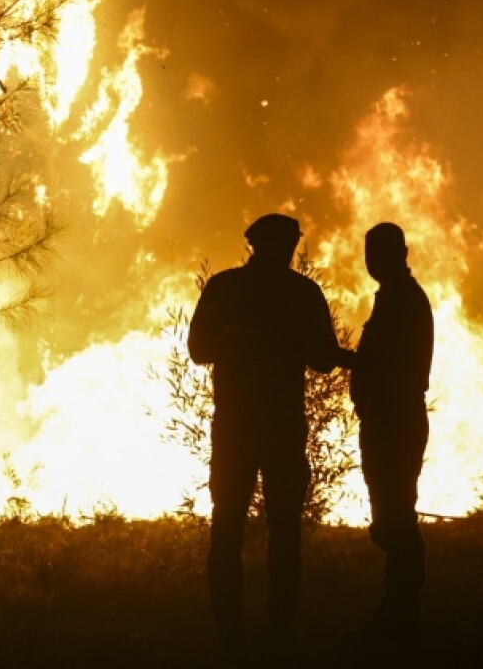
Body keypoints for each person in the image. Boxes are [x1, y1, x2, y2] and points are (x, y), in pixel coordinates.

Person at [187, 213, 348, 650]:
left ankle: (228, 630)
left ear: (252, 244)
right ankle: (279, 629)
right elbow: (321, 357)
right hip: (279, 425)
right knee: (283, 530)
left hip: (237, 426)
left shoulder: (224, 288)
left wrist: (238, 341)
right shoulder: (301, 293)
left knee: (228, 525)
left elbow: (199, 350)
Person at [346, 222, 434, 640]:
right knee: (393, 514)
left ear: (399, 253)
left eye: (377, 252)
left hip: (394, 420)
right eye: (369, 253)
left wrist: (348, 362)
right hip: (389, 418)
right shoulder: (395, 298)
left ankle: (401, 612)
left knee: (396, 517)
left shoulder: (402, 300)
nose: (371, 261)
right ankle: (401, 608)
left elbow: (392, 365)